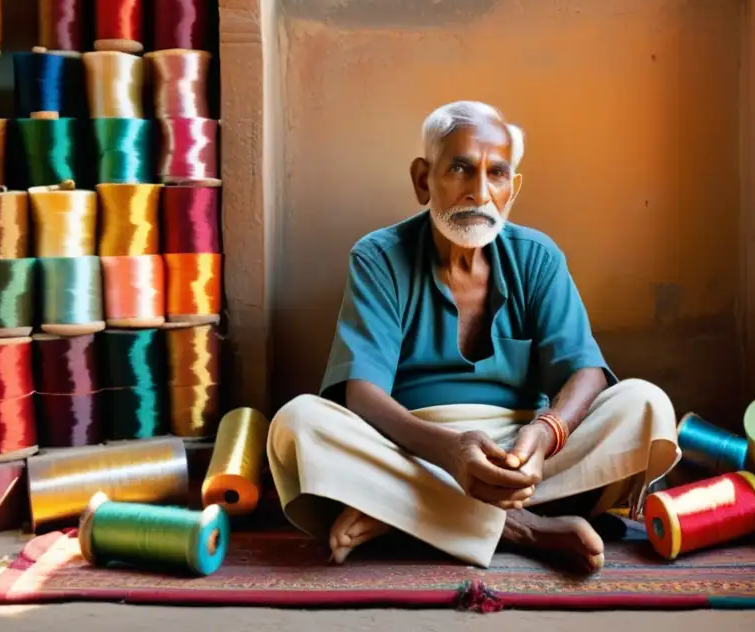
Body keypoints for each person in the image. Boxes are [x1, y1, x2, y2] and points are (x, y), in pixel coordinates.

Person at [267, 101, 679, 573]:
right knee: (297, 423)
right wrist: (450, 450)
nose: (479, 193)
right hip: (411, 449)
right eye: (460, 169)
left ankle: (403, 516)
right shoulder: (379, 257)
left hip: (520, 454)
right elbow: (361, 395)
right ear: (424, 179)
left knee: (644, 404)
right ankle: (523, 528)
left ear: (512, 188)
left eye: (497, 174)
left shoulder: (538, 257)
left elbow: (586, 373)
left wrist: (543, 435)